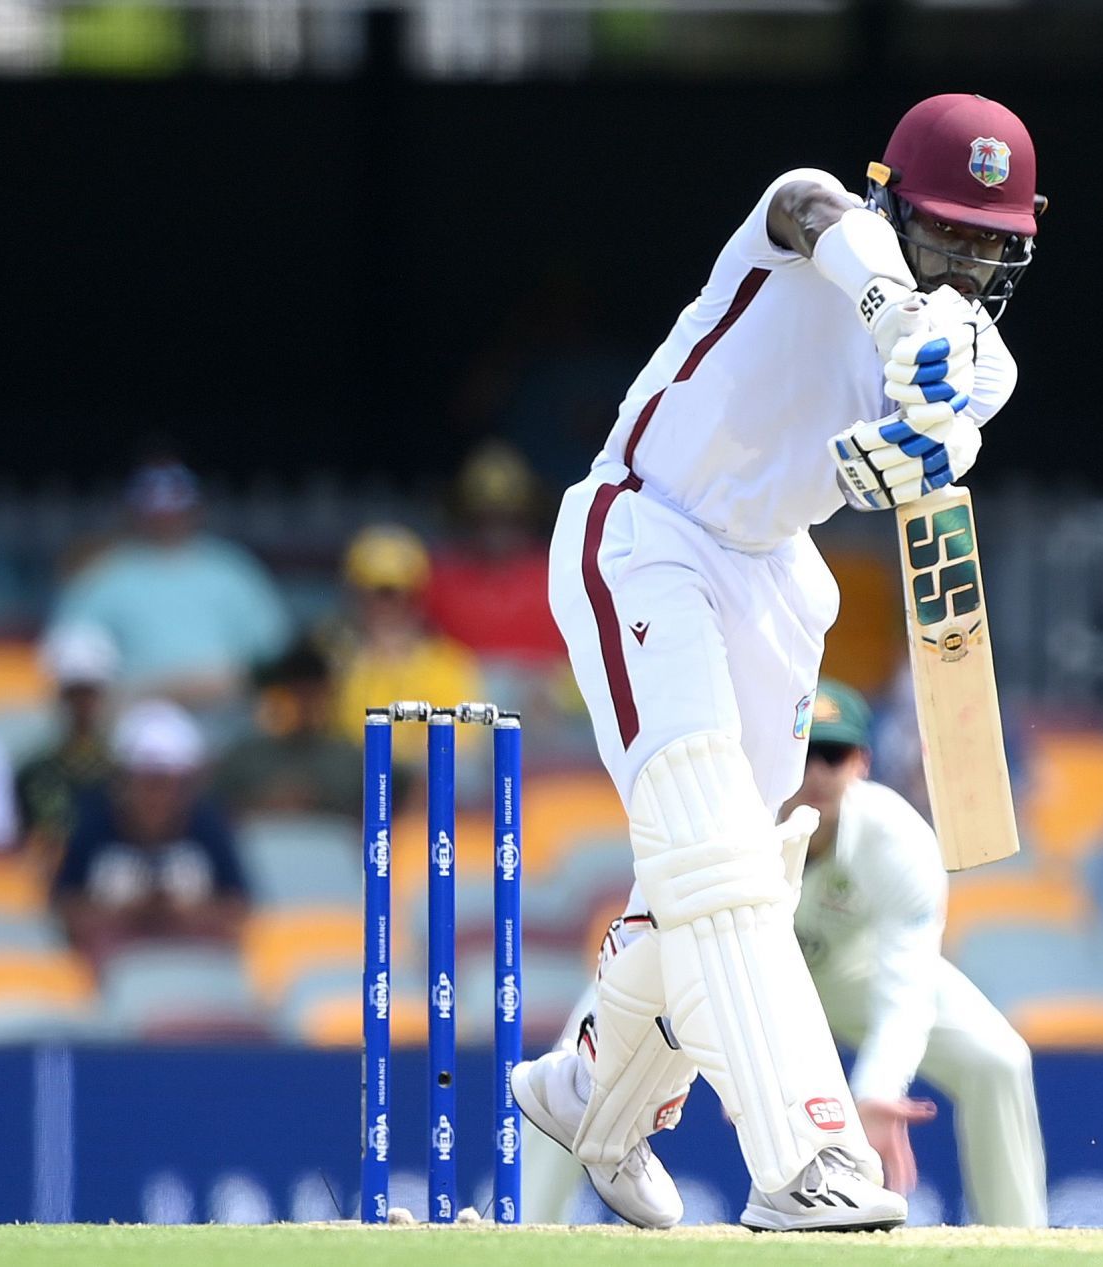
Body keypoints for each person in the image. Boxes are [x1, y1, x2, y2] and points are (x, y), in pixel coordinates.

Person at [518, 93, 1041, 1232]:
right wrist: (897, 312)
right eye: (943, 230)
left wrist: (920, 444)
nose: (963, 262)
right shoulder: (813, 226)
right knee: (714, 855)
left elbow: (952, 432)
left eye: (988, 243)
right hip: (647, 528)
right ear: (890, 202)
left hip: (775, 579)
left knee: (719, 879)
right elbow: (809, 209)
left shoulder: (983, 366)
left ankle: (587, 1098)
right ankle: (807, 1158)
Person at [516, 682, 1048, 1227]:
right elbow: (669, 931)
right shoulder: (721, 821)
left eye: (834, 754)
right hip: (716, 961)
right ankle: (526, 1233)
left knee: (999, 1059)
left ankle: (1022, 1240)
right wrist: (741, 1066)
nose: (816, 771)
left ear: (862, 763)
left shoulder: (900, 841)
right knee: (569, 1071)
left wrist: (877, 1089)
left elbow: (905, 989)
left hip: (849, 970)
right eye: (806, 751)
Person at [48, 460, 291, 708]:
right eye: (155, 510)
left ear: (197, 509)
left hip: (228, 711)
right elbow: (69, 657)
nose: (166, 518)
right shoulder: (104, 577)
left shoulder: (232, 570)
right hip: (139, 714)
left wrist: (218, 683)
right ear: (134, 512)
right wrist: (150, 690)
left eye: (175, 507)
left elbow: (273, 652)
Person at [51, 699, 249, 963]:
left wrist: (181, 913)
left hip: (192, 965)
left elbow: (238, 908)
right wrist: (127, 912)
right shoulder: (94, 823)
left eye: (170, 785)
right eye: (149, 784)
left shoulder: (208, 825)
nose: (159, 798)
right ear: (124, 783)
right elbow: (63, 908)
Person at [327, 525, 485, 774]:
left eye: (396, 594)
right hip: (347, 788)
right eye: (373, 595)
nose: (386, 607)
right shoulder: (331, 658)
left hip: (423, 790)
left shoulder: (448, 663)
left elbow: (459, 748)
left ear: (417, 597)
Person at [425, 441, 563, 664]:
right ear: (466, 518)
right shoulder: (440, 579)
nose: (497, 532)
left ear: (528, 517)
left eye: (508, 518)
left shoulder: (556, 574)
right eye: (485, 519)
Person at [214, 639, 358, 820]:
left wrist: (320, 803)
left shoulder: (353, 761)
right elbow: (214, 812)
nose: (305, 707)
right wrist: (263, 804)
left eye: (313, 696)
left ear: (329, 698)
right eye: (297, 695)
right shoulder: (244, 758)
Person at [14, 623, 120, 855]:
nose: (82, 703)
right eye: (74, 692)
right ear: (60, 695)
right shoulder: (33, 772)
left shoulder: (124, 772)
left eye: (90, 692)